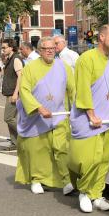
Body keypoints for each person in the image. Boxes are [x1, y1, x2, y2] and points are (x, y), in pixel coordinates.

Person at [68, 24, 109, 213]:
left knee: (103, 160)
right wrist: (91, 114)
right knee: (88, 160)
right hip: (89, 120)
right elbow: (83, 89)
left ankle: (96, 194)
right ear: (101, 37)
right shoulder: (86, 59)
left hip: (108, 121)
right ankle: (84, 192)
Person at [15, 37, 75, 195]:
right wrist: (38, 108)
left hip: (59, 115)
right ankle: (36, 179)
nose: (49, 50)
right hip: (37, 117)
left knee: (62, 147)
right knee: (38, 150)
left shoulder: (64, 66)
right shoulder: (30, 68)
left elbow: (73, 89)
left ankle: (66, 180)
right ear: (40, 51)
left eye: (52, 48)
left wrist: (79, 108)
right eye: (46, 48)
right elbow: (25, 91)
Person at [1, 39, 23, 150]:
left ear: (11, 47)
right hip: (9, 92)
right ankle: (15, 143)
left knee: (8, 118)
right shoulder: (10, 59)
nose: (2, 49)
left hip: (13, 93)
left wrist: (15, 93)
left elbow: (21, 76)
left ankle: (24, 136)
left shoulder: (16, 59)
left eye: (4, 47)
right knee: (11, 118)